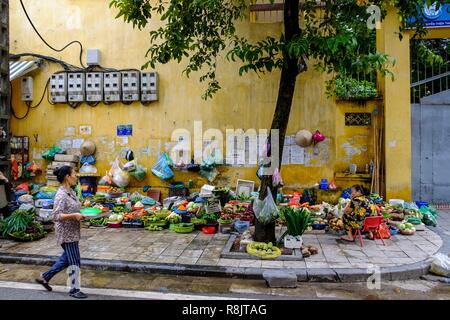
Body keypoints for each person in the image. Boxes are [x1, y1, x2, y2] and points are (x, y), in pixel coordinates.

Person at [35, 166, 88, 299]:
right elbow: (56, 215)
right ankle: (74, 290)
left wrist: (82, 213)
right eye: (74, 174)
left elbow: (74, 209)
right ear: (67, 177)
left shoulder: (71, 192)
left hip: (73, 231)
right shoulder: (61, 194)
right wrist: (74, 215)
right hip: (66, 233)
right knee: (74, 260)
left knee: (66, 259)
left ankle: (44, 277)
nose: (76, 176)